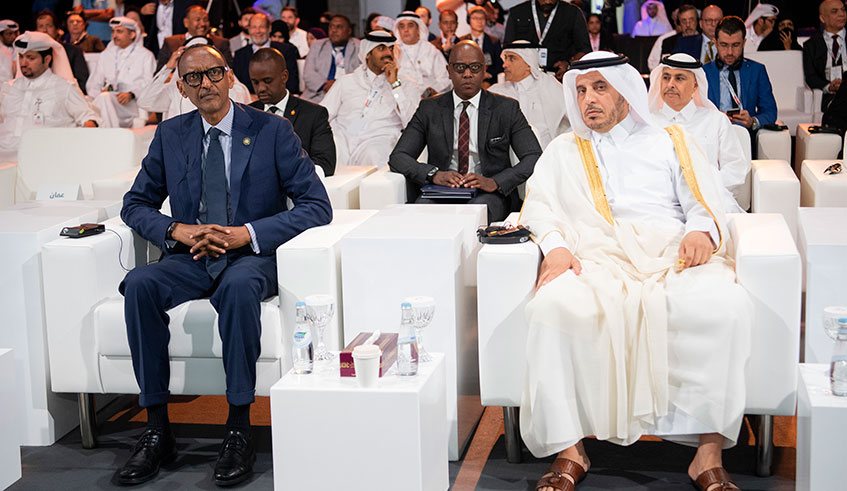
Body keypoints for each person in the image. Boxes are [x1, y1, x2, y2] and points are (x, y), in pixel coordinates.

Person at [518, 50, 751, 491]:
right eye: (582, 90)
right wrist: (557, 248)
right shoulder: (565, 149)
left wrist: (701, 231)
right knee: (552, 307)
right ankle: (570, 450)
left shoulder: (670, 138)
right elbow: (542, 208)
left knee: (725, 306)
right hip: (596, 256)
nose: (588, 99)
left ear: (625, 91)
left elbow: (704, 201)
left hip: (670, 254)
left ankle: (708, 454)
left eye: (600, 88)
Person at [116, 43, 331, 487]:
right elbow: (135, 204)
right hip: (190, 255)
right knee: (140, 283)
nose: (206, 84)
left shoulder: (272, 130)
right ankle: (157, 428)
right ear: (182, 87)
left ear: (230, 77)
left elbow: (316, 205)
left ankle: (238, 426)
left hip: (248, 256)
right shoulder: (171, 134)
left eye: (213, 73)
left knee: (237, 288)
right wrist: (178, 230)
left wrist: (247, 234)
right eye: (193, 78)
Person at [388, 41, 541, 223]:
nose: (468, 74)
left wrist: (495, 182)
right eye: (460, 68)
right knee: (423, 216)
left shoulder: (506, 108)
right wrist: (434, 174)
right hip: (440, 190)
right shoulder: (429, 109)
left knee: (471, 216)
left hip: (488, 193)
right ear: (449, 70)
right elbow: (398, 157)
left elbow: (534, 156)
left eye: (475, 67)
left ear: (484, 70)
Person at [649, 53, 750, 212]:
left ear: (695, 85)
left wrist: (705, 189)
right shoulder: (648, 124)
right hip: (661, 204)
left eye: (679, 78)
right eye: (666, 77)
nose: (671, 84)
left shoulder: (716, 121)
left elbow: (735, 167)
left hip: (710, 200)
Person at [320, 31, 419, 168]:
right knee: (330, 151)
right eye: (381, 48)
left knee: (374, 155)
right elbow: (323, 114)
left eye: (391, 48)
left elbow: (412, 122)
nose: (388, 53)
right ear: (367, 53)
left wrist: (395, 85)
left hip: (378, 140)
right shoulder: (346, 82)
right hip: (344, 139)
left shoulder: (406, 84)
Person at [0, 31, 100, 162]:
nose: (23, 63)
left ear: (47, 60)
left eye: (31, 58)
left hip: (45, 158)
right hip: (5, 157)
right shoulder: (9, 88)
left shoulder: (63, 88)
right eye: (21, 57)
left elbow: (89, 118)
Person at [248, 48, 336, 177]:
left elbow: (325, 164)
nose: (260, 88)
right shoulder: (246, 114)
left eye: (267, 81)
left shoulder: (314, 115)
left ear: (284, 76)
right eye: (255, 82)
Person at [137, 35, 252, 120]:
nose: (206, 83)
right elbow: (144, 102)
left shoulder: (234, 88)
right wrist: (167, 68)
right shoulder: (175, 89)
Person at [703, 16, 778, 133]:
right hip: (713, 133)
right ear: (715, 43)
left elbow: (770, 111)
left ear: (744, 43)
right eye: (724, 45)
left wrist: (752, 121)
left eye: (735, 45)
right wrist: (714, 118)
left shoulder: (757, 70)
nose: (730, 52)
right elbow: (694, 111)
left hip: (745, 133)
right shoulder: (703, 72)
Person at [489, 41, 568, 149]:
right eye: (505, 58)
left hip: (547, 154)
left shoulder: (549, 85)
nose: (504, 64)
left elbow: (575, 120)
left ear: (528, 63)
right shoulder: (497, 91)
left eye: (512, 58)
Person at [87, 16, 156, 128]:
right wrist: (100, 92)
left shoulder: (145, 55)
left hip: (132, 105)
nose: (114, 36)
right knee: (104, 98)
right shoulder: (105, 55)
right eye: (113, 31)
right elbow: (92, 84)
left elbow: (150, 84)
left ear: (132, 34)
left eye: (119, 31)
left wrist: (132, 94)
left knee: (103, 101)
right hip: (106, 100)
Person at [503, 0, 591, 80]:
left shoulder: (572, 13)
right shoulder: (518, 12)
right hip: (524, 78)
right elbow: (507, 48)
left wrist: (568, 64)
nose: (548, 1)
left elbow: (584, 49)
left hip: (559, 78)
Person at [233, 12, 299, 95]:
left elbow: (291, 85)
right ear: (249, 29)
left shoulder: (286, 51)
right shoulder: (240, 54)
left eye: (262, 27)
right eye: (254, 27)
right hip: (248, 102)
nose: (258, 31)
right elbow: (237, 87)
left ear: (269, 28)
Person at [301, 14, 360, 103]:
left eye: (339, 27)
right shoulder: (317, 45)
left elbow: (362, 74)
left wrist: (339, 86)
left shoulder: (359, 47)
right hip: (319, 94)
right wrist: (325, 85)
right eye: (331, 27)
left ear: (349, 31)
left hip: (348, 95)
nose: (334, 30)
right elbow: (308, 73)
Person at [393, 11, 453, 97]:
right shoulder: (393, 52)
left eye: (410, 25)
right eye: (402, 26)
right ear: (398, 30)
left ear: (418, 29)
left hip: (430, 101)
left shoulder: (431, 50)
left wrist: (434, 90)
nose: (406, 30)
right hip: (403, 102)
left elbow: (446, 78)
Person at [155, 5, 231, 72]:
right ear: (186, 23)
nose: (202, 24)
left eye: (205, 20)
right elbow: (158, 76)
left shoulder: (220, 43)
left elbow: (229, 71)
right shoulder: (171, 43)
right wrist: (169, 67)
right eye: (198, 20)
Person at [804, 0, 847, 111]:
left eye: (843, 10)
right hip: (829, 97)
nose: (841, 14)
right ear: (823, 18)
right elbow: (811, 76)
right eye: (835, 11)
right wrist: (829, 87)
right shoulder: (811, 45)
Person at [35, 10, 91, 94]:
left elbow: (82, 83)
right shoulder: (31, 54)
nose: (44, 30)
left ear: (57, 29)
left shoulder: (74, 51)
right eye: (41, 26)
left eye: (49, 26)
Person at [647, 4, 701, 70]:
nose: (688, 24)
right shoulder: (668, 42)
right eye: (684, 21)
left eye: (691, 20)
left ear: (697, 21)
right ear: (679, 23)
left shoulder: (704, 40)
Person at [460, 6, 502, 87]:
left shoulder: (494, 41)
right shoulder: (462, 41)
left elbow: (500, 65)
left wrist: (488, 74)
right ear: (469, 21)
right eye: (475, 18)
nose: (479, 21)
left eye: (482, 18)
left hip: (489, 81)